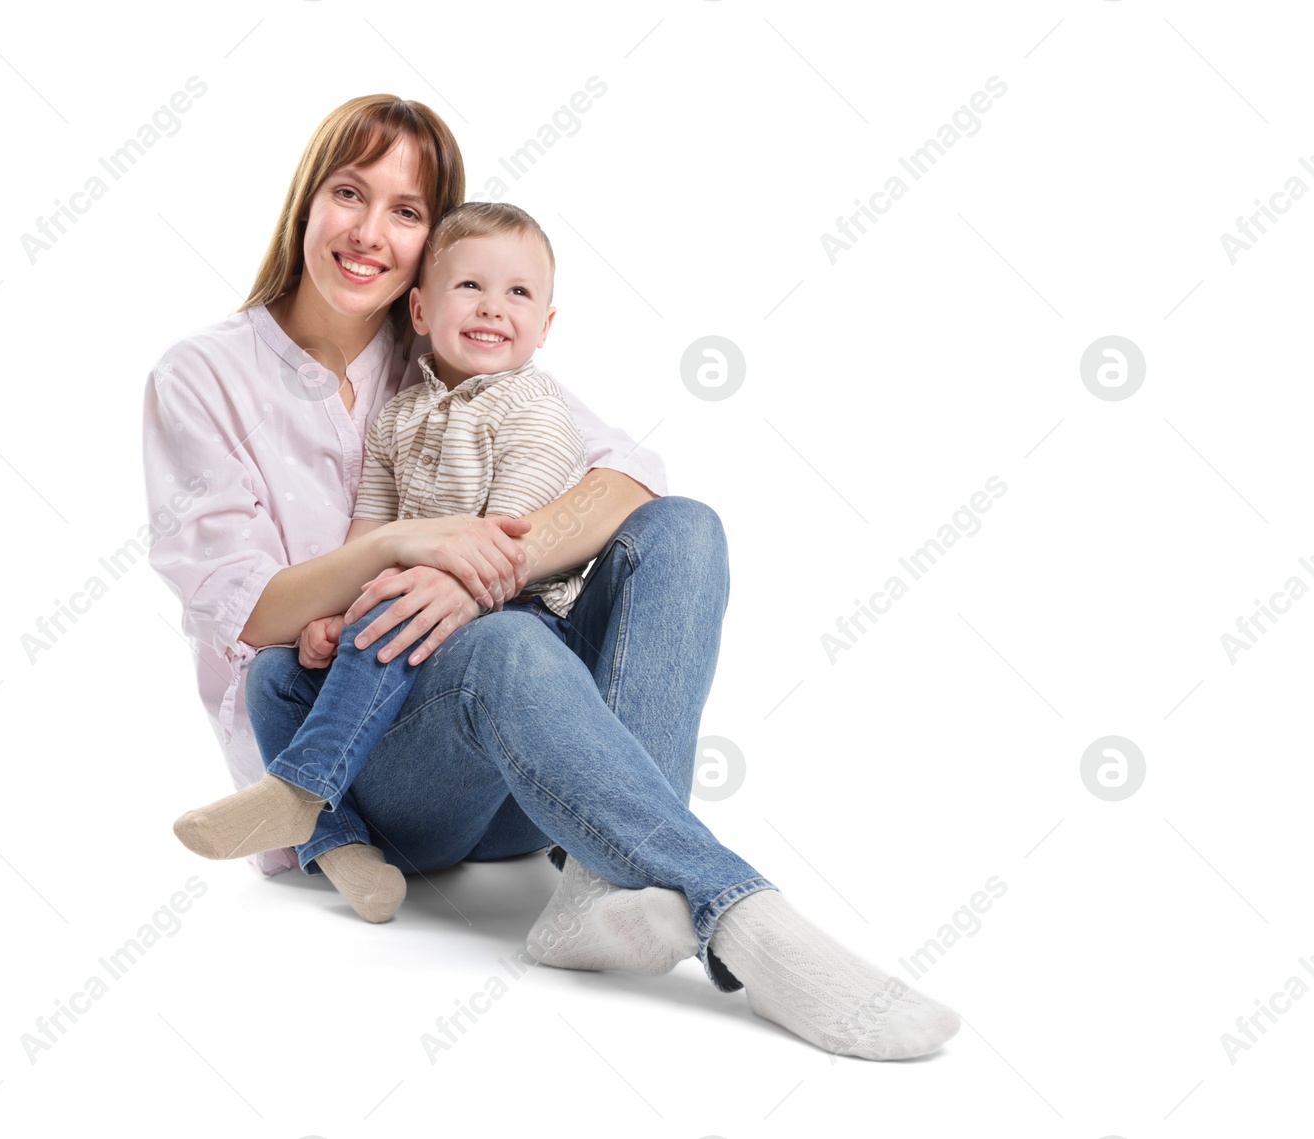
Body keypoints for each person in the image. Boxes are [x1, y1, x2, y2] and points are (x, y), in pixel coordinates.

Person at [143, 93, 961, 1059]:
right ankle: (742, 917)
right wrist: (402, 551)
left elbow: (624, 476)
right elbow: (247, 608)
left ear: (429, 249)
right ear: (304, 201)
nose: (370, 232)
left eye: (407, 213)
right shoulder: (201, 376)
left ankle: (598, 890)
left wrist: (492, 568)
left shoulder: (456, 334)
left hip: (521, 779)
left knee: (682, 530)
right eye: (349, 193)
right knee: (506, 638)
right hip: (370, 773)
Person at [172, 200, 691, 940]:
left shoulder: (537, 408)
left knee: (405, 607)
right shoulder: (397, 415)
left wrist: (413, 591)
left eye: (518, 294)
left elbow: (502, 545)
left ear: (546, 326)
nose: (491, 308)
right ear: (419, 308)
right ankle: (338, 841)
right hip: (423, 661)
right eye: (469, 287)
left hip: (512, 626)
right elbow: (367, 539)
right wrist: (333, 616)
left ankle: (300, 786)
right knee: (274, 672)